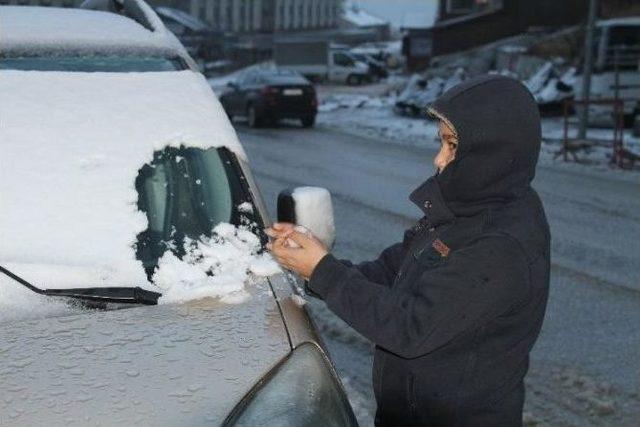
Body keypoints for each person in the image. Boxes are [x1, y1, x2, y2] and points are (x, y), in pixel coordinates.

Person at [267, 74, 550, 426]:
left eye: (452, 145)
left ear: (492, 151)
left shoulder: (501, 244)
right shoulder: (468, 205)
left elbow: (410, 327)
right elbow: (392, 272)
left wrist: (323, 271)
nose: (439, 159)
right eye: (440, 142)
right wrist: (313, 264)